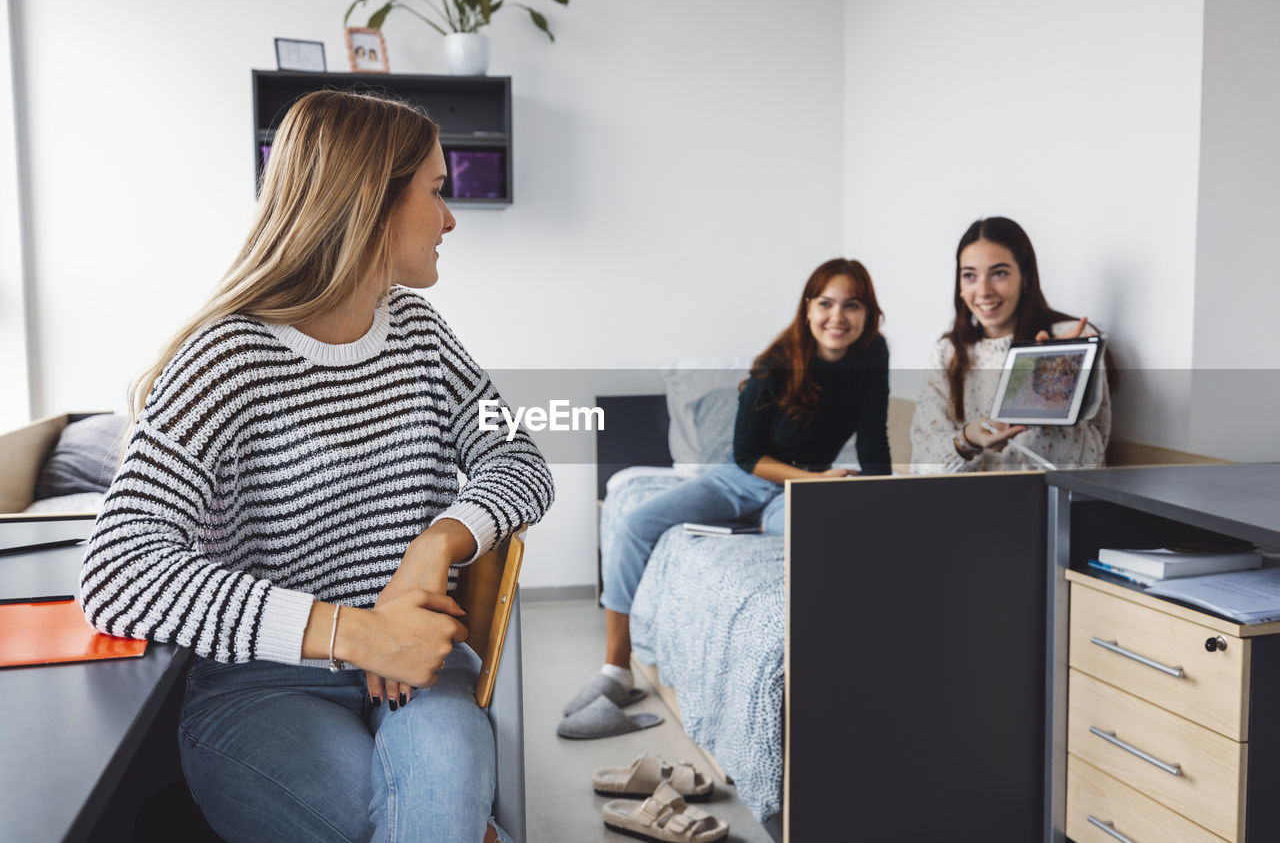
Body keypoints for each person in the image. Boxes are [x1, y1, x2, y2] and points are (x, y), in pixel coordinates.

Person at [78, 90, 554, 843]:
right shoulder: (224, 359)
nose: (451, 219)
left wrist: (434, 548)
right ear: (371, 200)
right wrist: (357, 634)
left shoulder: (418, 332)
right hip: (262, 688)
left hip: (421, 673)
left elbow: (518, 456)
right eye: (436, 191)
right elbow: (119, 575)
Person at [561, 259, 891, 731]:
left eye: (852, 305)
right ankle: (616, 669)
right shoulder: (775, 365)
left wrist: (883, 502)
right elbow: (746, 454)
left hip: (798, 489)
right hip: (741, 478)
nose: (837, 317)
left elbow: (874, 440)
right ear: (808, 308)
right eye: (826, 303)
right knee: (635, 525)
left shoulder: (872, 355)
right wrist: (814, 483)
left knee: (822, 535)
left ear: (868, 313)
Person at [909, 216, 1111, 473]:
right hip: (967, 506)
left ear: (1024, 277)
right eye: (970, 276)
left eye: (999, 273)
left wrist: (1054, 378)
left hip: (1052, 507)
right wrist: (967, 440)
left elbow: (1091, 458)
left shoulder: (1069, 338)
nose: (983, 291)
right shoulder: (947, 353)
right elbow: (920, 463)